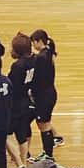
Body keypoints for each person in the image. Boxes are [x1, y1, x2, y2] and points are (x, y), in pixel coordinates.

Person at [6, 33, 35, 168]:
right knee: (23, 134)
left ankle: (18, 163)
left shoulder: (18, 65)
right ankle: (23, 162)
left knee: (6, 133)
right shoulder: (34, 60)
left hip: (15, 103)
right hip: (26, 101)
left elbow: (11, 84)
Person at [29, 30, 59, 160]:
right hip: (49, 93)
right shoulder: (48, 52)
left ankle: (48, 155)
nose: (33, 46)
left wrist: (31, 92)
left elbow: (38, 79)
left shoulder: (41, 58)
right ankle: (47, 153)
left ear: (38, 41)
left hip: (44, 96)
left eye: (33, 43)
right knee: (44, 124)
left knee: (44, 125)